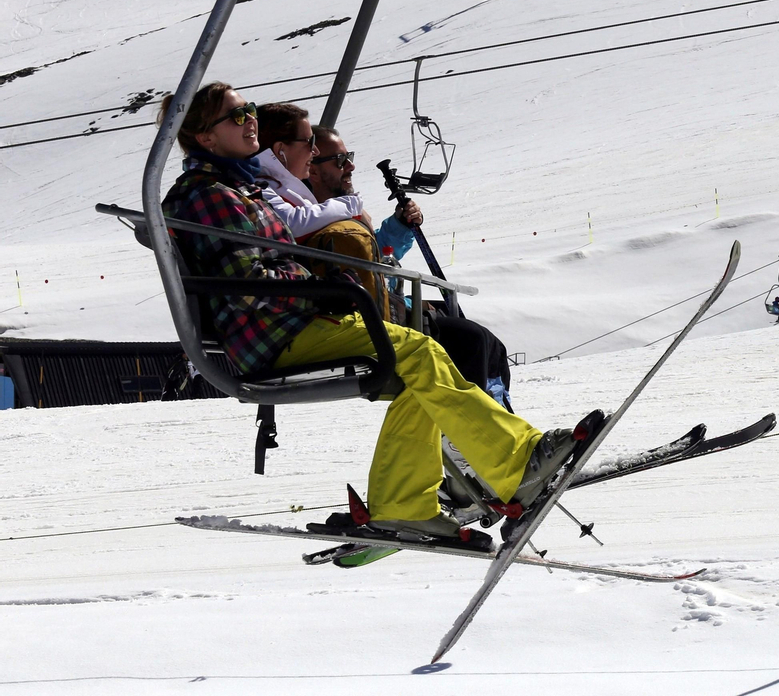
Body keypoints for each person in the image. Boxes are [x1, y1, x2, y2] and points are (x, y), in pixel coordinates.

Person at [159, 82, 575, 539]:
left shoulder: (239, 187)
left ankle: (404, 505)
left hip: (292, 322)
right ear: (206, 137)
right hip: (277, 334)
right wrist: (320, 288)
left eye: (250, 109)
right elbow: (249, 282)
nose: (250, 119)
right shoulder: (207, 195)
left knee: (420, 373)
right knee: (421, 353)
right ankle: (517, 463)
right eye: (237, 116)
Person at [300, 124, 517, 408]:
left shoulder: (341, 208)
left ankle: (501, 418)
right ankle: (470, 434)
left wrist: (399, 227)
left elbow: (374, 255)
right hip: (365, 315)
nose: (350, 166)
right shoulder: (307, 216)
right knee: (470, 340)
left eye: (348, 156)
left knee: (490, 345)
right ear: (313, 169)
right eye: (340, 160)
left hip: (383, 302)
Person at [250, 102, 363, 238]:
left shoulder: (280, 183)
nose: (315, 151)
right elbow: (291, 223)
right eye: (310, 142)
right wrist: (351, 204)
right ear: (280, 149)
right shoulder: (255, 184)